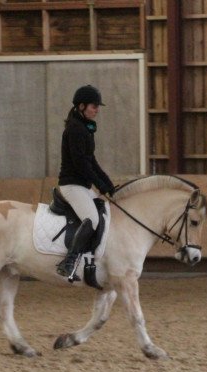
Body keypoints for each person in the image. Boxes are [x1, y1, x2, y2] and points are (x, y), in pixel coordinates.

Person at [56, 85, 116, 279]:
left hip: (82, 186)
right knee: (92, 219)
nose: (97, 109)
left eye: (98, 106)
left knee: (103, 212)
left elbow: (92, 162)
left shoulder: (85, 129)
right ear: (81, 106)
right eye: (94, 106)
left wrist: (109, 185)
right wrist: (100, 185)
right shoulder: (75, 129)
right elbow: (81, 165)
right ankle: (70, 261)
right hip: (72, 185)